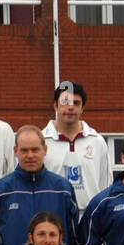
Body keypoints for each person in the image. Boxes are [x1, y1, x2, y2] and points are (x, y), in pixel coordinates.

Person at [42, 82, 111, 225]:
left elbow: (106, 186)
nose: (71, 107)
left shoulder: (97, 141)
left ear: (82, 108)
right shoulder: (40, 141)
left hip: (91, 219)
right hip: (52, 219)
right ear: (55, 106)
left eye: (76, 103)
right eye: (65, 102)